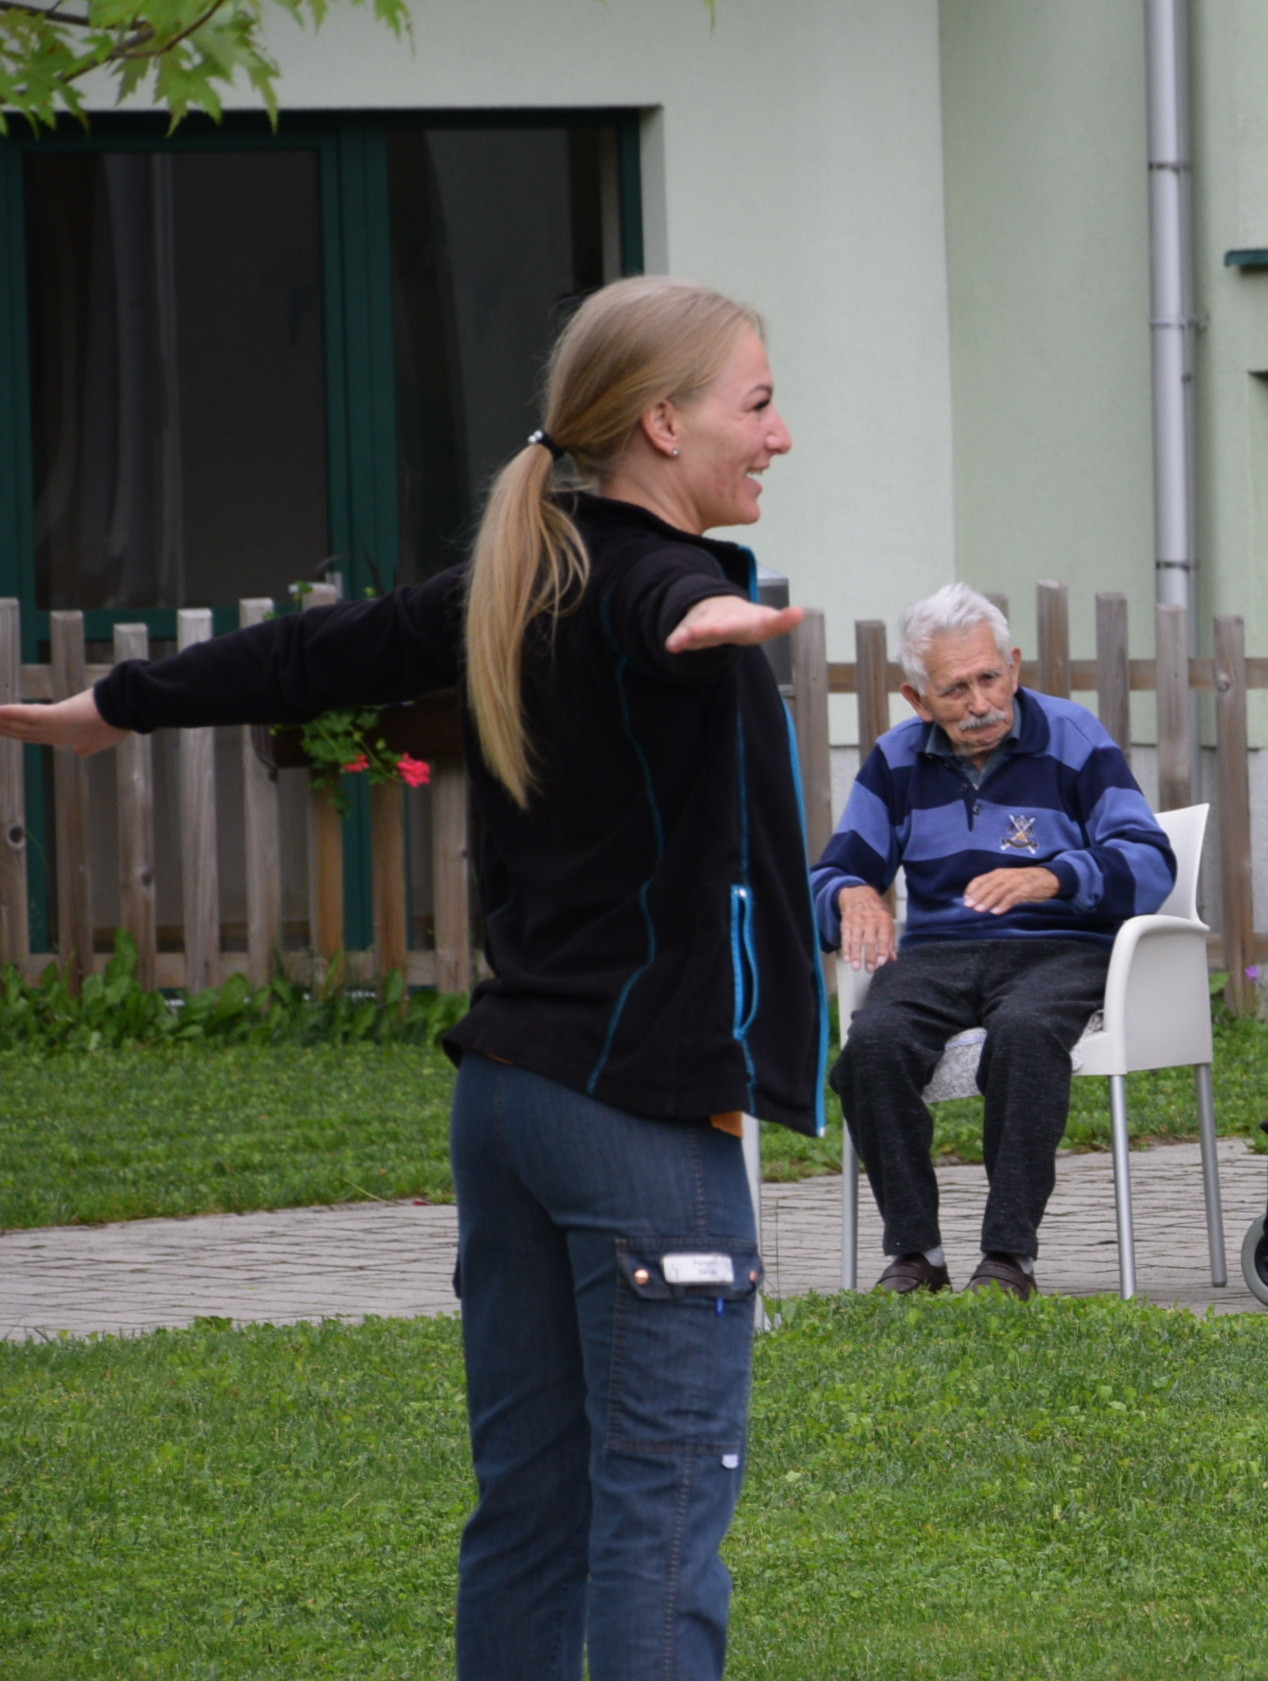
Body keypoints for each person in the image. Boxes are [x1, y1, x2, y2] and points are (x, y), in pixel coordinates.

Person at [0, 277, 815, 1678]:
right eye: (757, 404)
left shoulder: (522, 574)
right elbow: (654, 597)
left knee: (534, 1515)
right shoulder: (641, 585)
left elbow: (315, 652)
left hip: (510, 1106)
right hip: (637, 1121)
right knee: (661, 1526)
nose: (781, 435)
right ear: (665, 424)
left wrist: (114, 707)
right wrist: (698, 616)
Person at [812, 583, 1172, 1298]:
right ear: (918, 700)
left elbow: (1149, 861)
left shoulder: (1073, 736)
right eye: (955, 689)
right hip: (940, 953)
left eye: (989, 677)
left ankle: (1009, 1256)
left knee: (1027, 1031)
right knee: (871, 1048)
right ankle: (918, 1252)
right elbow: (833, 872)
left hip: (1059, 948)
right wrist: (853, 894)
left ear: (1013, 666)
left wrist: (1056, 878)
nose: (980, 702)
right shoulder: (896, 759)